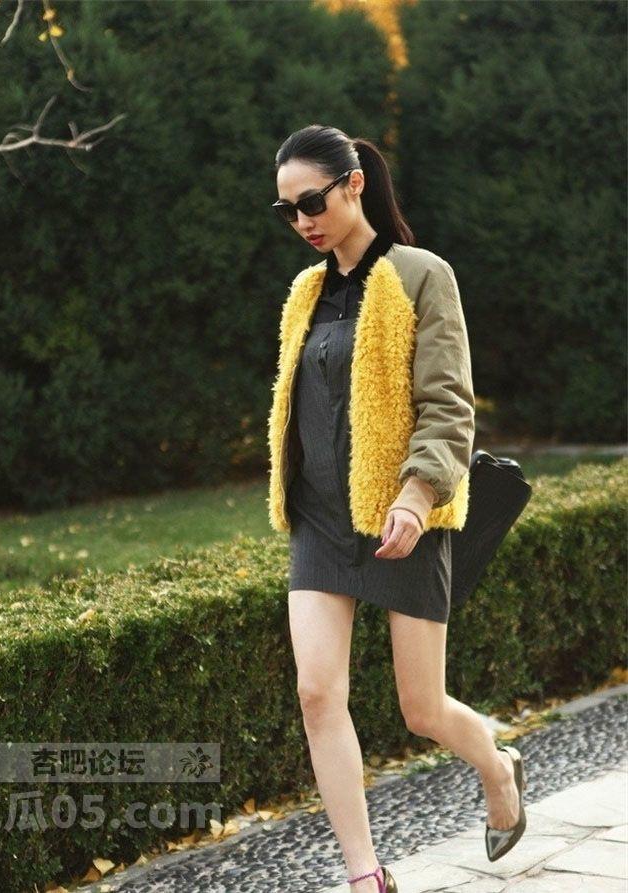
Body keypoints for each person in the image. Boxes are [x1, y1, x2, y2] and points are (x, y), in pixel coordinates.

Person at [266, 125, 526, 893]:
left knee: (422, 709)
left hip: (403, 518)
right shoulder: (305, 294)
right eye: (287, 210)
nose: (303, 221)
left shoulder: (421, 275)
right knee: (318, 693)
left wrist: (415, 496)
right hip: (319, 522)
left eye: (312, 201)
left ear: (353, 184)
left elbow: (448, 406)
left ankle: (498, 765)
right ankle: (365, 876)